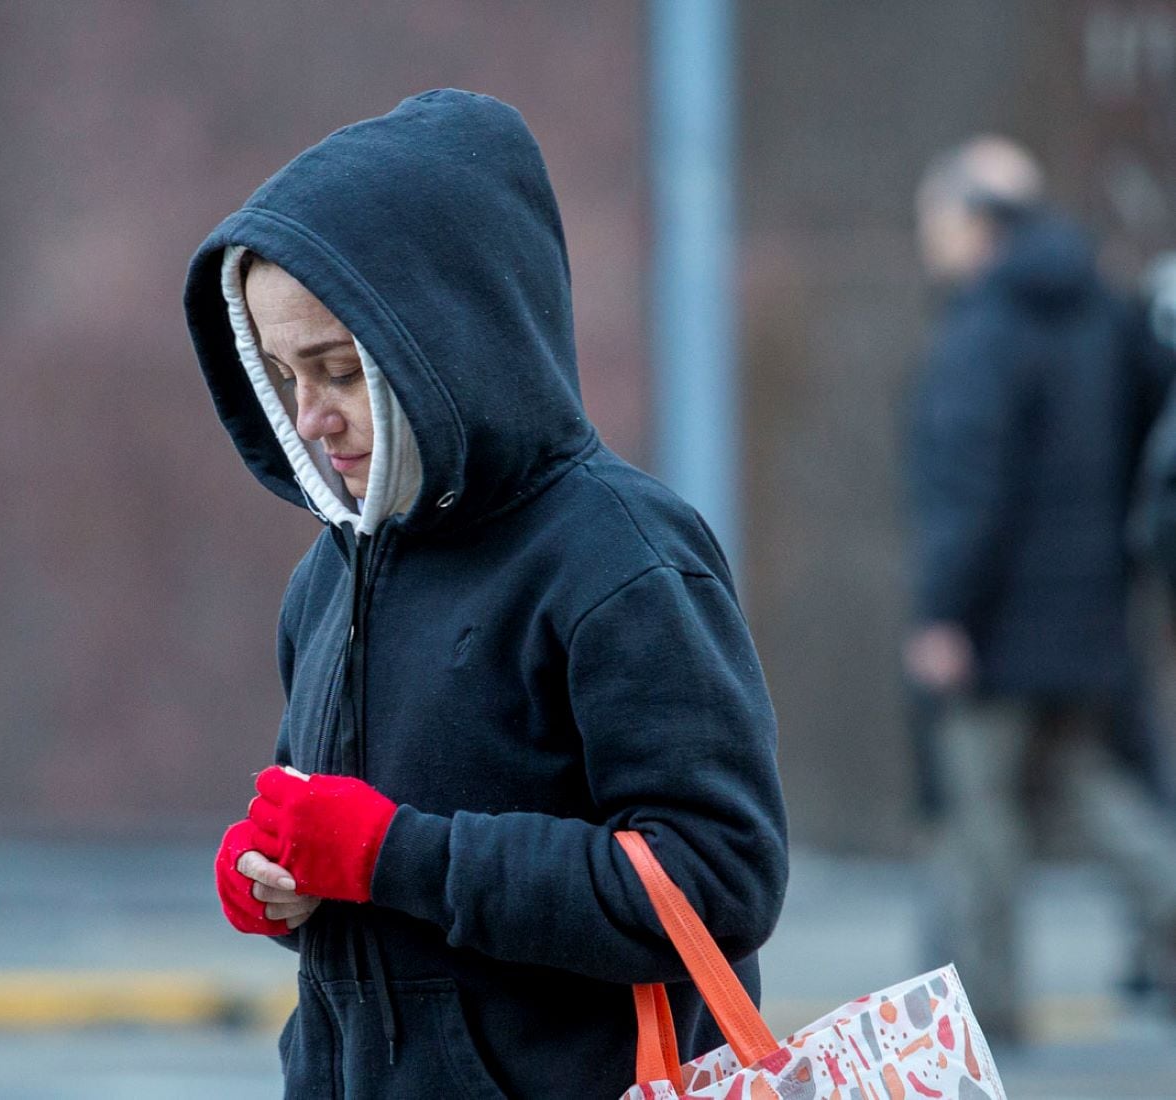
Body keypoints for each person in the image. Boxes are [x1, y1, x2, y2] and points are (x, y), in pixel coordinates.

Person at [184, 90, 788, 1097]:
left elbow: (720, 878)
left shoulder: (621, 555)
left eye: (339, 370)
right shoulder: (332, 570)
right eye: (284, 376)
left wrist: (393, 855)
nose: (312, 418)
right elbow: (368, 887)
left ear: (447, 338)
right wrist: (282, 882)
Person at [905, 135, 1176, 1042]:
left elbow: (968, 485)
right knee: (1086, 791)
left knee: (980, 818)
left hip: (996, 619)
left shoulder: (986, 325)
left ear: (978, 220)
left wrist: (944, 613)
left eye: (936, 216)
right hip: (1087, 611)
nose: (929, 238)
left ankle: (985, 1008)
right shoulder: (1100, 311)